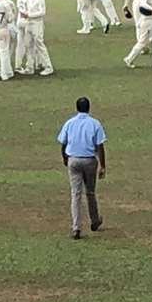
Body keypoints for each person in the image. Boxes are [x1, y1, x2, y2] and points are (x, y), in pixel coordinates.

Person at [56, 97, 107, 239]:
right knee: (90, 192)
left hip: (73, 160)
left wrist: (65, 158)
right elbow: (100, 146)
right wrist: (102, 165)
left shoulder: (70, 123)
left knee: (75, 194)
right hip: (90, 160)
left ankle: (76, 227)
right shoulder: (95, 123)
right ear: (89, 108)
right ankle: (94, 220)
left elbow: (63, 143)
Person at [20, 0, 54, 76]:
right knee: (28, 45)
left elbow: (42, 12)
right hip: (29, 24)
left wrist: (29, 15)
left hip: (37, 24)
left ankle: (48, 67)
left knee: (39, 44)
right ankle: (30, 67)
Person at [14, 0, 34, 74]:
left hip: (19, 21)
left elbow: (19, 9)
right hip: (28, 22)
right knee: (29, 45)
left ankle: (18, 65)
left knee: (20, 44)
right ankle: (30, 66)